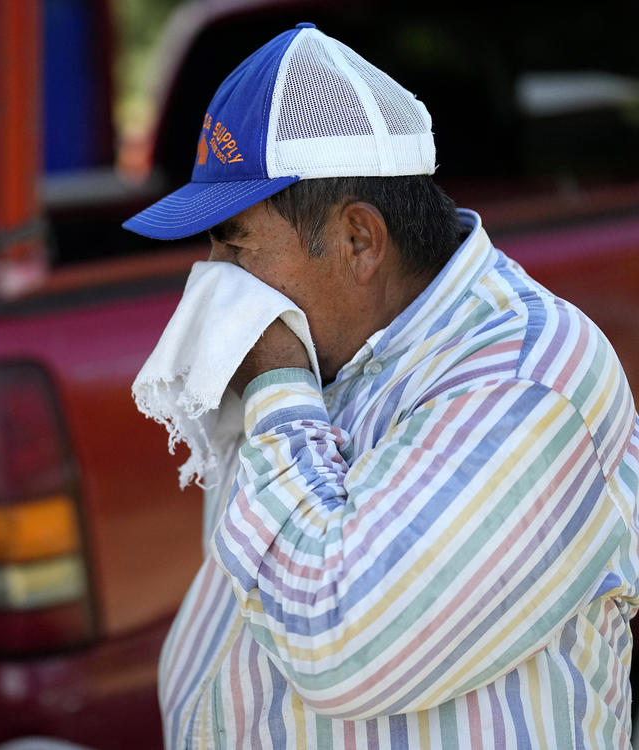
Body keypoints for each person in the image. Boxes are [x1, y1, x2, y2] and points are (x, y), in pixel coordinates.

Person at [123, 23, 639, 749]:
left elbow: (344, 649)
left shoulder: (527, 376)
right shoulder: (319, 349)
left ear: (358, 241)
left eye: (234, 243)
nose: (214, 280)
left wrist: (275, 379)